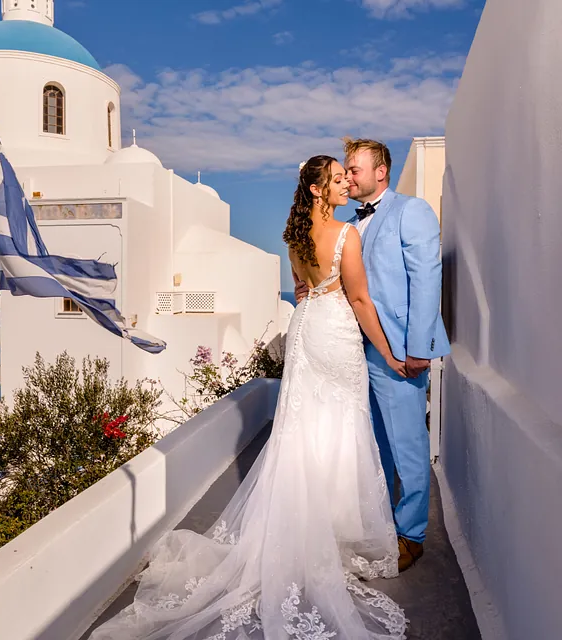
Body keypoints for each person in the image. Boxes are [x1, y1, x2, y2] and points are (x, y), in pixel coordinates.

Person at [90, 156, 407, 640]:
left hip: (306, 331)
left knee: (303, 430)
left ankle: (311, 533)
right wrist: (389, 351)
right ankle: (332, 536)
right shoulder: (347, 234)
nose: (347, 185)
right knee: (340, 427)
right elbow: (360, 300)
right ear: (320, 190)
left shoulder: (295, 238)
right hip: (336, 335)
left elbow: (302, 293)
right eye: (339, 180)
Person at [296, 139, 450, 572]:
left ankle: (412, 535)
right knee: (374, 444)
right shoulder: (348, 225)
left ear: (380, 171)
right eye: (344, 170)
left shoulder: (411, 211)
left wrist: (418, 348)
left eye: (354, 169)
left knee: (408, 444)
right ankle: (381, 522)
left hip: (398, 351)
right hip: (352, 347)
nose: (348, 176)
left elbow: (425, 279)